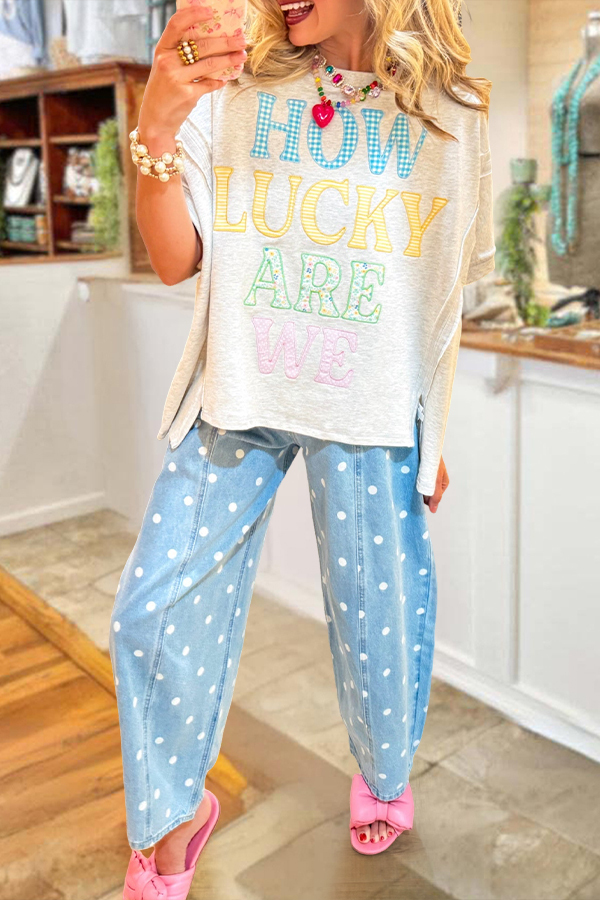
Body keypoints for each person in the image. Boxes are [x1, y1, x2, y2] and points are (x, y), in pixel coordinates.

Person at [112, 0, 495, 894]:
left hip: (372, 404)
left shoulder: (451, 110)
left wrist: (432, 431)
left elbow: (439, 298)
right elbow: (174, 260)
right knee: (150, 610)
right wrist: (157, 123)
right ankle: (170, 820)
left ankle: (385, 775)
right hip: (238, 391)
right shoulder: (238, 82)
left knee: (379, 614)